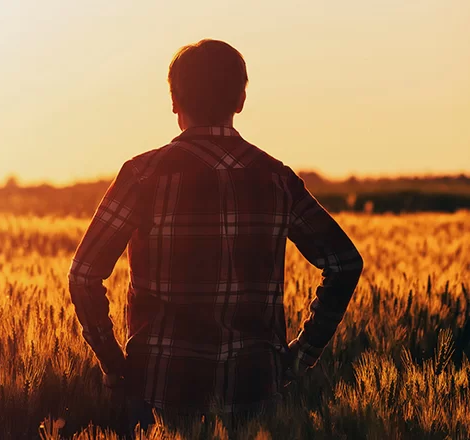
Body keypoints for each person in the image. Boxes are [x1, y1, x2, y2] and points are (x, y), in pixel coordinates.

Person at [67, 39, 364, 430]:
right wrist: (301, 356)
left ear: (174, 101)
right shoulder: (276, 178)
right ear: (241, 99)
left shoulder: (143, 176)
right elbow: (344, 263)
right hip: (256, 388)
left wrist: (114, 363)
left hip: (159, 385)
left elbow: (84, 274)